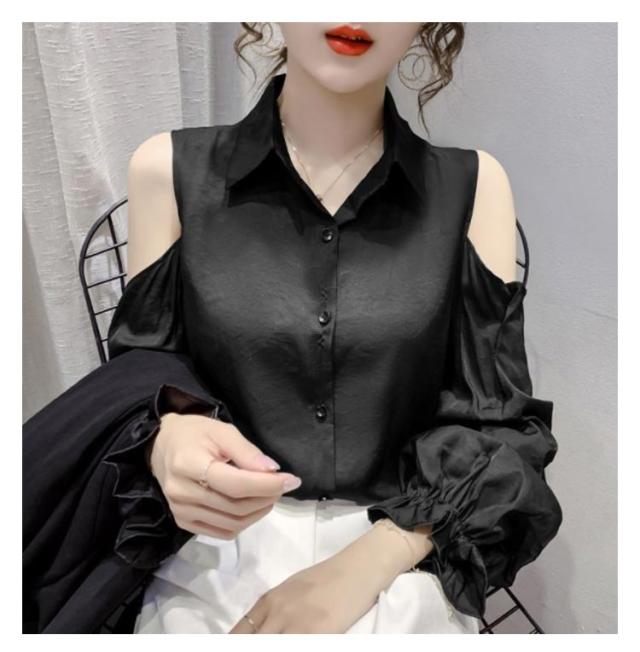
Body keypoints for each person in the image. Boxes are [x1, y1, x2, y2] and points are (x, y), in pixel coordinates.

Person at [23, 22, 563, 634]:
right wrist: (169, 431)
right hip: (210, 550)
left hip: (404, 551)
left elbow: (500, 423)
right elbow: (143, 368)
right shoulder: (167, 169)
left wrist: (372, 561)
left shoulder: (473, 185)